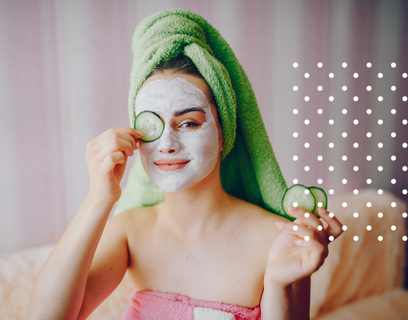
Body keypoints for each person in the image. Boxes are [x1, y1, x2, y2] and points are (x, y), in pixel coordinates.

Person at [27, 9, 343, 320]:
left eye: (189, 123)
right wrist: (98, 198)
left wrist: (277, 285)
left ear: (224, 134)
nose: (166, 144)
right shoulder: (130, 231)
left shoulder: (278, 239)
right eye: (152, 126)